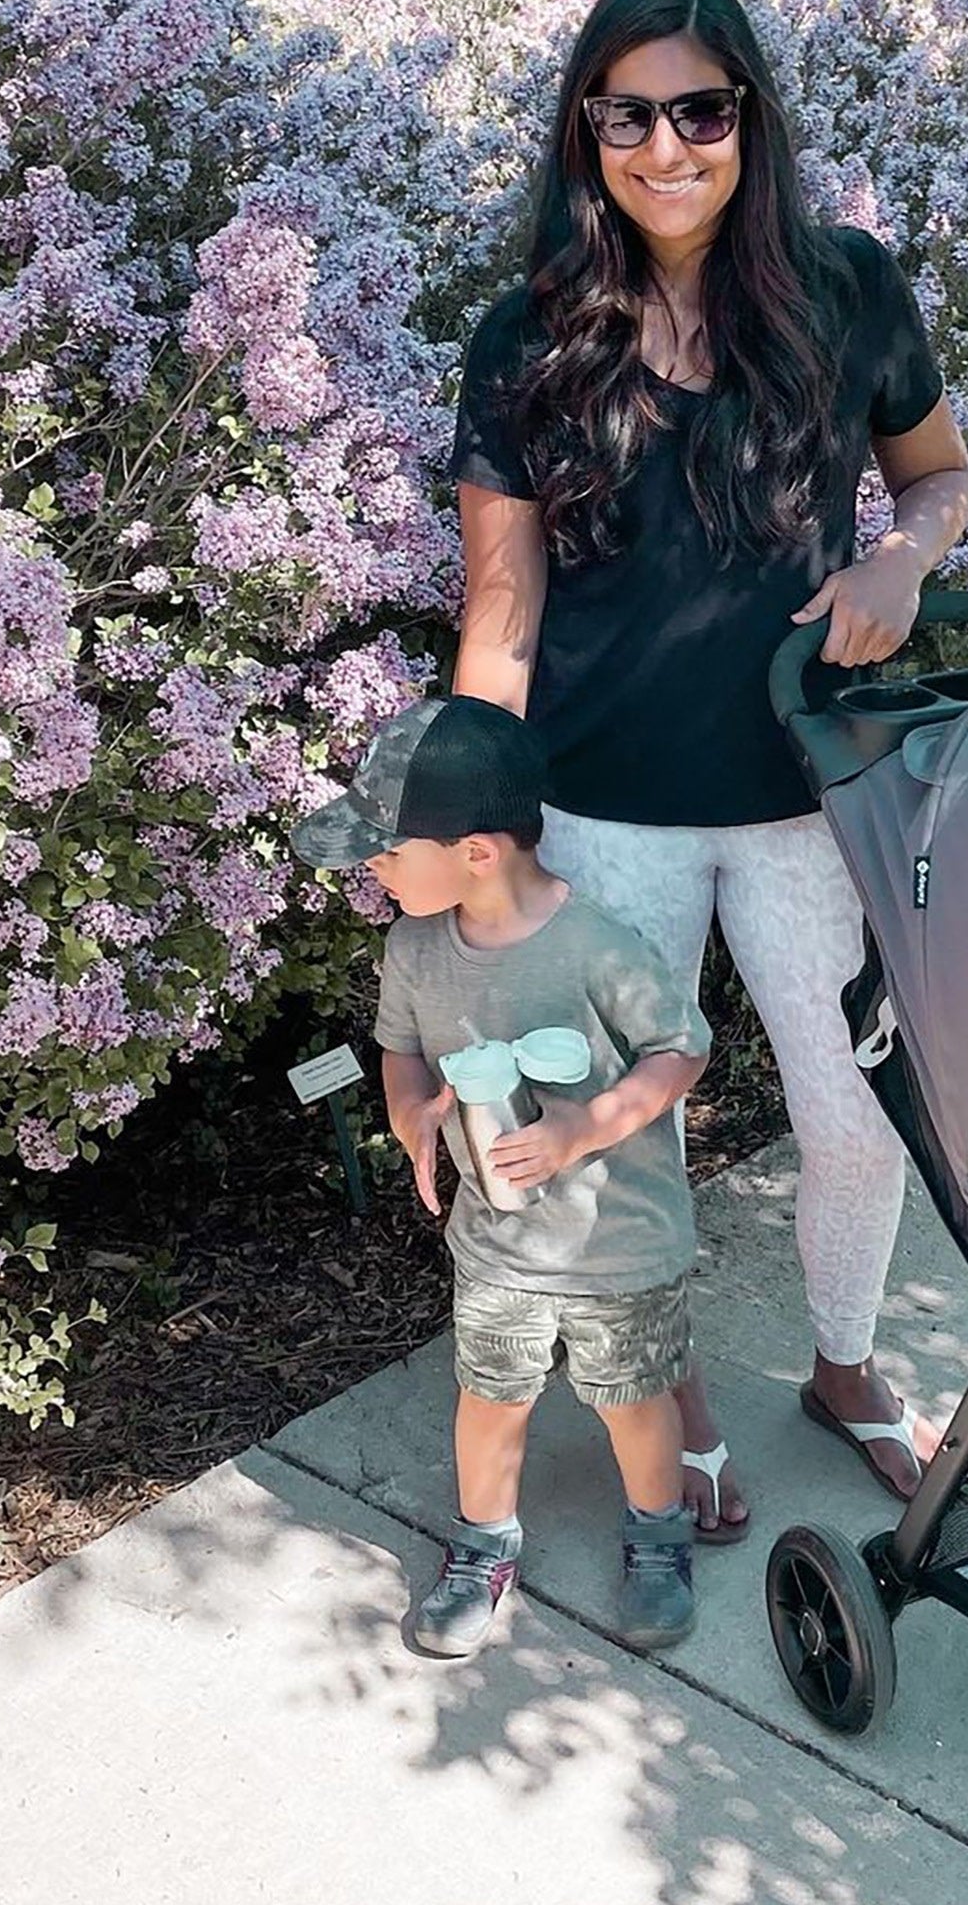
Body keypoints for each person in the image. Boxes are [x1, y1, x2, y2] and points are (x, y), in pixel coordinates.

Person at [447, 0, 968, 1519]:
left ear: (747, 117)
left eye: (700, 108)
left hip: (808, 797)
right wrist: (483, 836)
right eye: (631, 113)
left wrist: (902, 556)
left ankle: (845, 1364)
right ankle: (669, 1395)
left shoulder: (847, 289)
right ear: (585, 129)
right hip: (608, 812)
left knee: (858, 1116)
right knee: (629, 1141)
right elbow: (502, 607)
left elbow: (938, 479)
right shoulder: (525, 337)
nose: (667, 144)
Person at [291, 694, 713, 1658]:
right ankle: (484, 1548)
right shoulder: (413, 948)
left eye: (388, 849)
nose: (374, 866)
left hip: (620, 1240)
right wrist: (413, 1116)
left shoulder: (595, 944)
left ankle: (658, 1534)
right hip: (497, 1240)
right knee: (491, 1395)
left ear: (476, 851)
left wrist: (585, 1130)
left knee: (634, 1399)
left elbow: (679, 1050)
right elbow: (400, 1051)